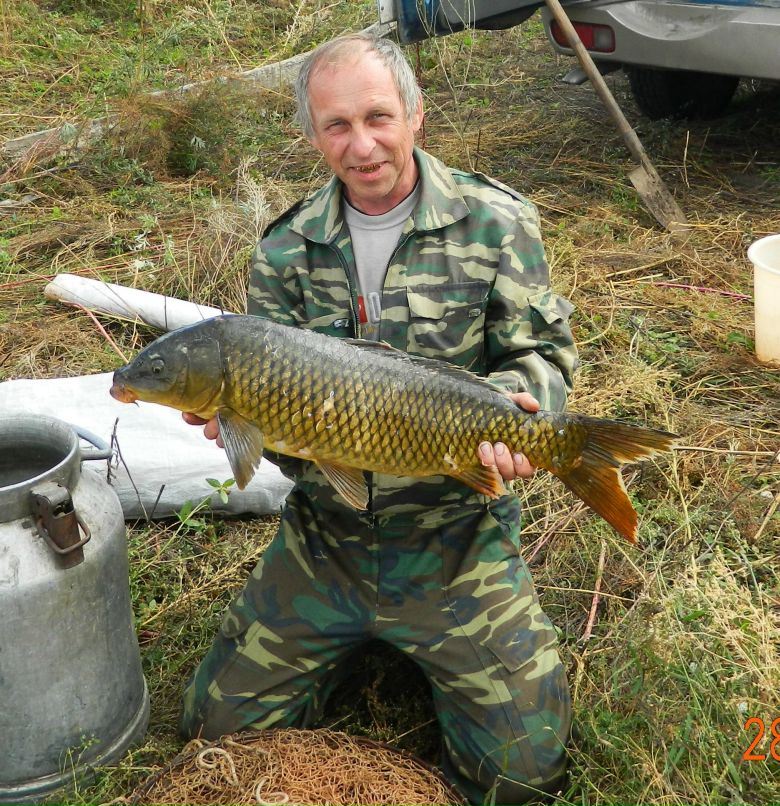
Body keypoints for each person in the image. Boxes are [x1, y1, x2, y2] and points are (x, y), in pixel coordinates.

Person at [179, 32, 578, 806]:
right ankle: (353, 637)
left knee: (524, 777)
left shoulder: (495, 222)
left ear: (416, 115)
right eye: (336, 125)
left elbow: (541, 355)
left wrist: (531, 408)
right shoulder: (287, 249)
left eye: (378, 117)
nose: (361, 145)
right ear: (312, 135)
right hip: (327, 540)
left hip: (456, 535)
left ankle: (422, 641)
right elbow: (281, 437)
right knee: (213, 739)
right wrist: (241, 425)